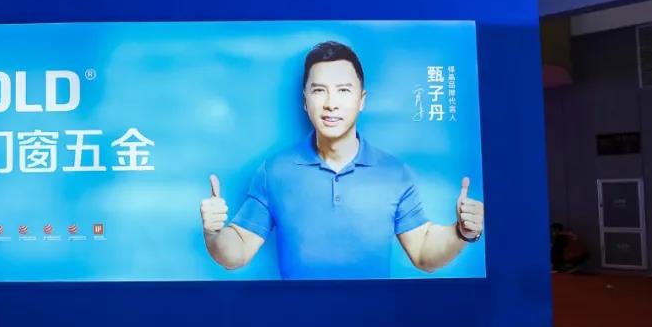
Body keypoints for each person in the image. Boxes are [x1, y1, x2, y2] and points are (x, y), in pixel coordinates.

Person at [200, 41, 485, 279]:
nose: (330, 103)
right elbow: (237, 252)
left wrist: (461, 232)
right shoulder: (275, 171)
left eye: (343, 90)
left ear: (362, 100)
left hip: (374, 325)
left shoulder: (394, 172)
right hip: (296, 322)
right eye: (319, 90)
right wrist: (213, 234)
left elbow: (423, 252)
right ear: (305, 100)